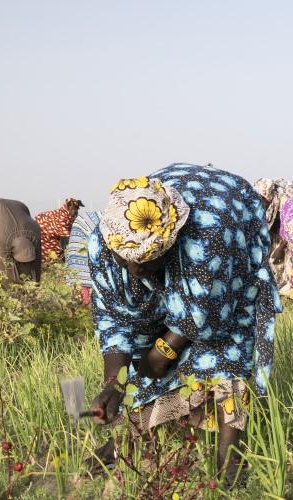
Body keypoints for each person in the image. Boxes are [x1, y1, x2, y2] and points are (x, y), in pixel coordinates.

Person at [87, 164, 280, 473]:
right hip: (180, 256)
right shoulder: (102, 243)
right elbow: (113, 315)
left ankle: (230, 466)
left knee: (223, 350)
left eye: (150, 259)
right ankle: (129, 439)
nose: (136, 268)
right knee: (144, 354)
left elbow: (203, 317)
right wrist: (115, 383)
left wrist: (163, 352)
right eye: (128, 259)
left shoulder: (207, 238)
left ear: (171, 242)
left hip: (228, 236)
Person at [253, 178, 293, 291]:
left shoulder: (287, 201)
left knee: (291, 265)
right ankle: (277, 290)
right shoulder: (263, 203)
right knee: (273, 264)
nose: (259, 202)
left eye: (261, 199)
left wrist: (280, 248)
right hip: (276, 233)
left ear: (268, 195)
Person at [0, 198, 41, 283]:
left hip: (22, 236)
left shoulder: (35, 234)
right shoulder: (2, 240)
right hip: (0, 219)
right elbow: (3, 266)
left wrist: (35, 283)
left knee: (27, 273)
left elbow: (37, 266)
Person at [65, 211, 101, 304]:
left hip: (84, 259)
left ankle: (85, 303)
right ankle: (86, 303)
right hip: (84, 256)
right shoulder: (82, 225)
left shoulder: (80, 223)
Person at [34, 198, 83, 263]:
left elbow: (72, 230)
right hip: (44, 240)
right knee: (49, 260)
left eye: (77, 209)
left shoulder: (69, 217)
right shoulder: (60, 217)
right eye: (74, 209)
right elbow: (68, 236)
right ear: (68, 208)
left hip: (52, 240)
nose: (76, 211)